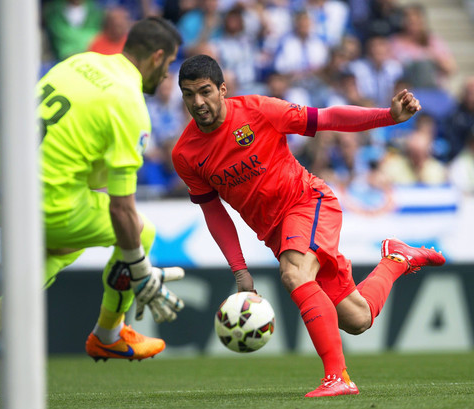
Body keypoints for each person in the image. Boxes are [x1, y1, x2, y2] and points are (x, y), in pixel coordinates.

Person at [171, 54, 446, 398]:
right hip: (276, 232)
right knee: (357, 319)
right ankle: (396, 260)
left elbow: (327, 118)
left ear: (222, 89)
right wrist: (239, 270)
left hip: (308, 202)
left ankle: (338, 377)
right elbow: (215, 213)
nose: (198, 103)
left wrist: (389, 116)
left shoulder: (258, 110)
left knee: (294, 273)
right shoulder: (185, 153)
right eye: (188, 95)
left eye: (205, 91)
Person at [0, 17, 185, 391]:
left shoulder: (81, 61)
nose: (168, 75)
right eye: (170, 64)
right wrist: (141, 273)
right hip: (45, 201)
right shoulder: (129, 103)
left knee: (63, 244)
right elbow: (121, 209)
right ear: (157, 57)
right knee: (141, 230)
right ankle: (109, 335)